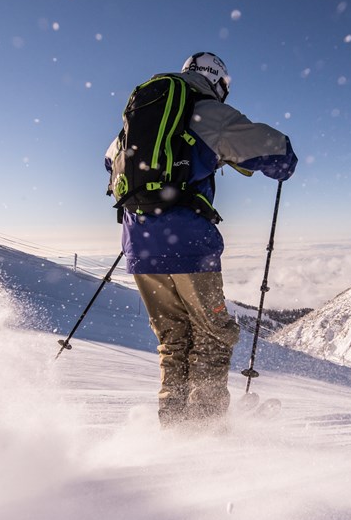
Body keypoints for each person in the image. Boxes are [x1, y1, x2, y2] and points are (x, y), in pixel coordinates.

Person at [104, 52, 297, 430]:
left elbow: (108, 162)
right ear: (219, 82)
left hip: (138, 246)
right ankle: (204, 436)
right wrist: (282, 159)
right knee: (212, 336)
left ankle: (173, 427)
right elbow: (277, 153)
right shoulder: (205, 110)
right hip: (188, 244)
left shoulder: (137, 118)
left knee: (173, 340)